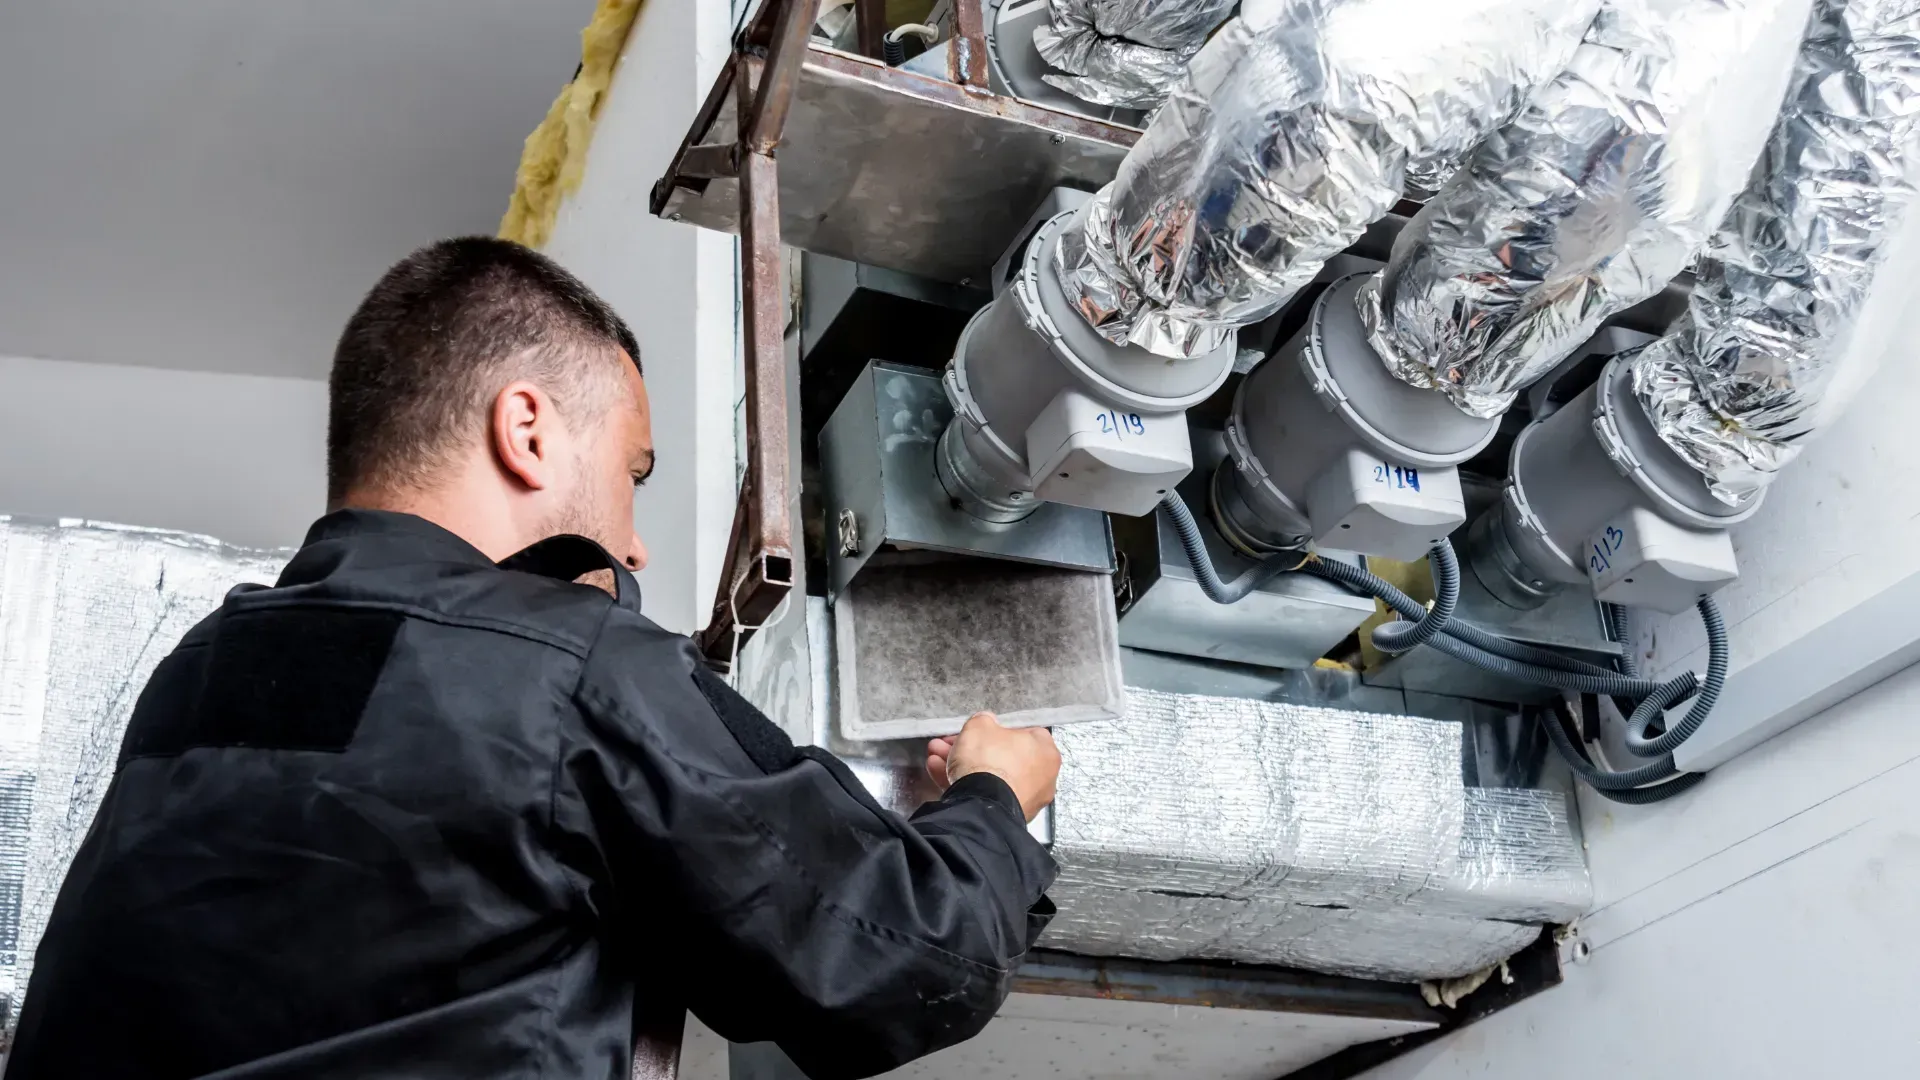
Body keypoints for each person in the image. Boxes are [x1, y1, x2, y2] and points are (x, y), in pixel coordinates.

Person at [6, 238, 1062, 1080]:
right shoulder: (564, 663)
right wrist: (994, 801)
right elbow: (901, 955)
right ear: (528, 429)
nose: (635, 544)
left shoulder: (197, 672)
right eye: (632, 474)